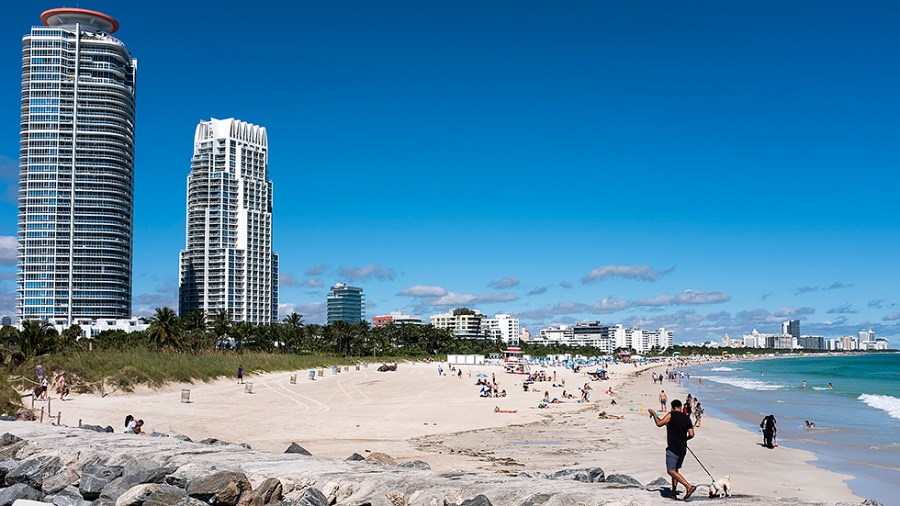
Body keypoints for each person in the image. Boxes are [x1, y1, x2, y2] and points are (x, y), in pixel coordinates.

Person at [648, 400, 697, 501]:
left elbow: (659, 423)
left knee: (671, 471)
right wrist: (685, 439)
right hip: (683, 448)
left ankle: (688, 486)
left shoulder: (671, 415)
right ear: (680, 407)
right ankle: (673, 492)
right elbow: (692, 434)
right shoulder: (687, 418)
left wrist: (654, 414)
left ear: (673, 407)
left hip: (673, 448)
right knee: (675, 471)